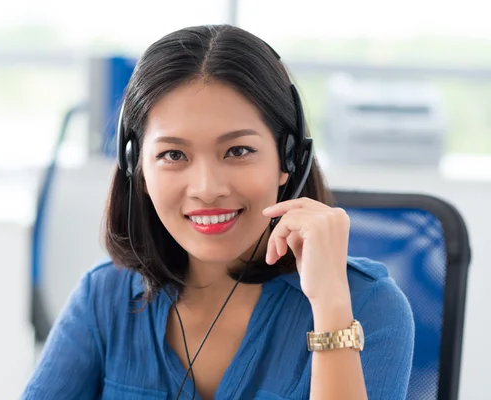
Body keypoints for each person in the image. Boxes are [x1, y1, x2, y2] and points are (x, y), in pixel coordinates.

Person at [21, 24, 415, 400]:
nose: (207, 189)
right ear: (136, 168)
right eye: (173, 154)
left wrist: (330, 307)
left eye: (238, 151)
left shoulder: (366, 304)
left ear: (289, 158)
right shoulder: (105, 298)